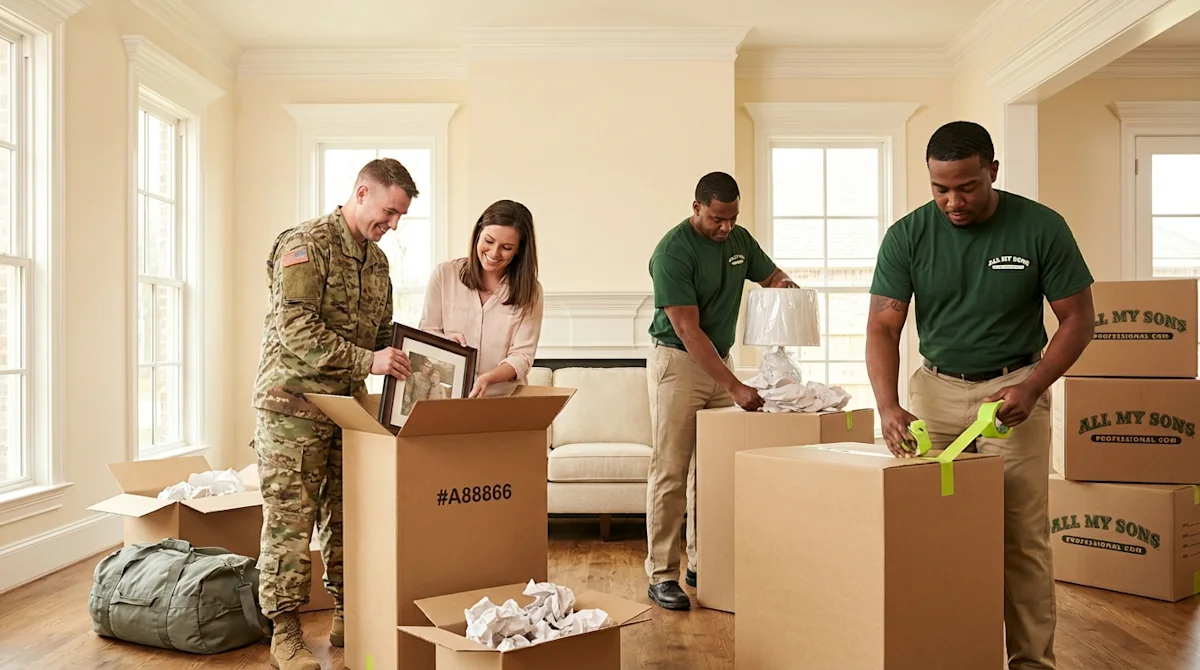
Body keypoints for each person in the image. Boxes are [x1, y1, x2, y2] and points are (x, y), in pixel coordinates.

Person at [865, 121, 1094, 670]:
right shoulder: (907, 235)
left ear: (992, 170)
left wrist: (1033, 386)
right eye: (940, 189)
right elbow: (882, 327)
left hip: (1012, 395)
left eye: (966, 187)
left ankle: (1032, 662)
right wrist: (888, 405)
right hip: (934, 395)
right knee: (927, 532)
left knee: (1021, 538)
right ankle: (940, 655)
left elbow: (1079, 320)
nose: (953, 201)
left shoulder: (1041, 227)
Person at [251, 158, 417, 670]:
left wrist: (423, 354)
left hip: (347, 410)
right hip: (293, 410)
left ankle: (349, 612)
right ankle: (285, 632)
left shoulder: (378, 263)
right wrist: (368, 361)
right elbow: (295, 329)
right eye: (389, 212)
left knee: (348, 517)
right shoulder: (305, 244)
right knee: (291, 523)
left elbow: (382, 335)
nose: (392, 225)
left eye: (400, 217)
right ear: (362, 192)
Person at [644, 171, 797, 611]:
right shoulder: (672, 252)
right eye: (717, 219)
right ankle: (662, 575)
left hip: (720, 359)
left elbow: (772, 276)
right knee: (672, 470)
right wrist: (733, 385)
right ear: (696, 208)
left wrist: (788, 291)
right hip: (678, 363)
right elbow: (688, 331)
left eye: (732, 218)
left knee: (711, 472)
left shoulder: (739, 240)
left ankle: (702, 563)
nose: (725, 227)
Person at [419, 199, 543, 398]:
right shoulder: (445, 275)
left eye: (506, 247)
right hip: (449, 397)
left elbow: (522, 356)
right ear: (478, 234)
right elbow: (426, 332)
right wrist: (446, 343)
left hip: (505, 399)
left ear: (519, 249)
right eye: (489, 241)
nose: (494, 253)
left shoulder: (531, 292)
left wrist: (488, 378)